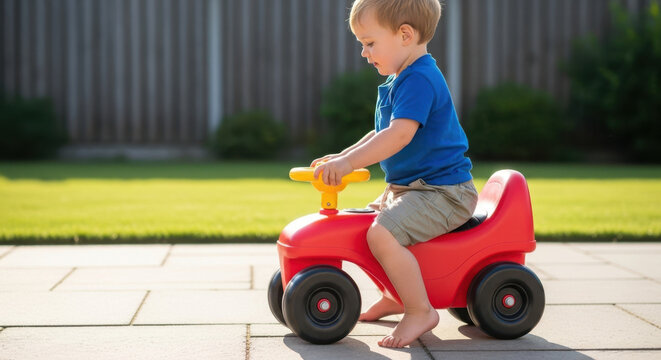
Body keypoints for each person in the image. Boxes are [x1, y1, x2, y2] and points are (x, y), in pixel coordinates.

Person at [311, 0, 478, 348]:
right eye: (361, 43)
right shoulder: (401, 78)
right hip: (411, 189)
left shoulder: (420, 78)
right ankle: (396, 294)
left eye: (369, 43)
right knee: (365, 226)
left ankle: (419, 309)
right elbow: (381, 132)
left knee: (382, 234)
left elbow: (399, 135)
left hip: (443, 193)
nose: (363, 52)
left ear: (405, 35)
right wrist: (343, 156)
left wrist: (348, 165)